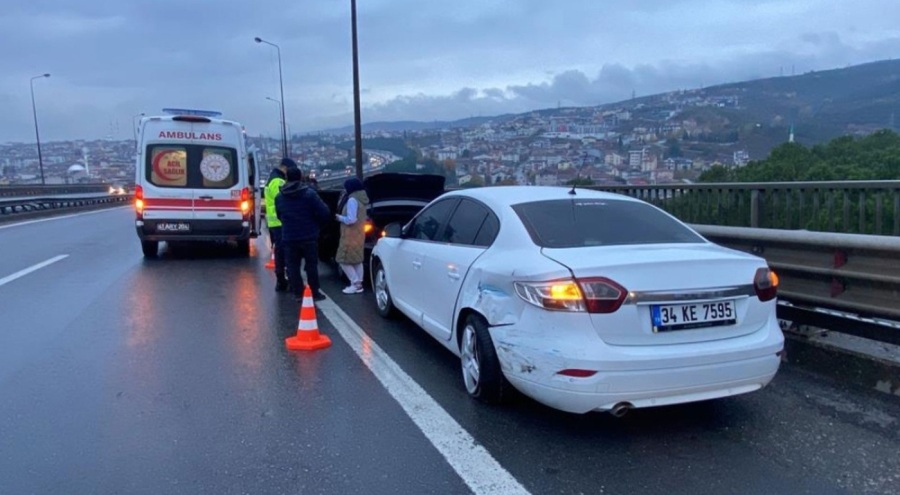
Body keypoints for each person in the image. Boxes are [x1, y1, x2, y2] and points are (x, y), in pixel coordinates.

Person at [275, 167, 331, 302]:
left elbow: (279, 215)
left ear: (286, 178)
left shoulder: (280, 197)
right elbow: (325, 212)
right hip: (309, 235)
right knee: (311, 265)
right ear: (300, 177)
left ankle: (298, 293)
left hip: (289, 236)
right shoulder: (309, 194)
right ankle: (315, 292)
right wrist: (317, 226)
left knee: (292, 266)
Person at [264, 158, 296, 292]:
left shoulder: (273, 178)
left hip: (275, 222)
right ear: (285, 168)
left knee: (279, 251)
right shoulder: (278, 181)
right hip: (280, 221)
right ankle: (283, 280)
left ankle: (281, 280)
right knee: (284, 252)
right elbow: (283, 200)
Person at [334, 177, 370, 294]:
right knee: (357, 260)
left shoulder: (352, 200)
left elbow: (351, 219)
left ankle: (354, 283)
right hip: (359, 234)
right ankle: (359, 283)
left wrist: (339, 218)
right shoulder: (362, 199)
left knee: (342, 259)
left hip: (350, 234)